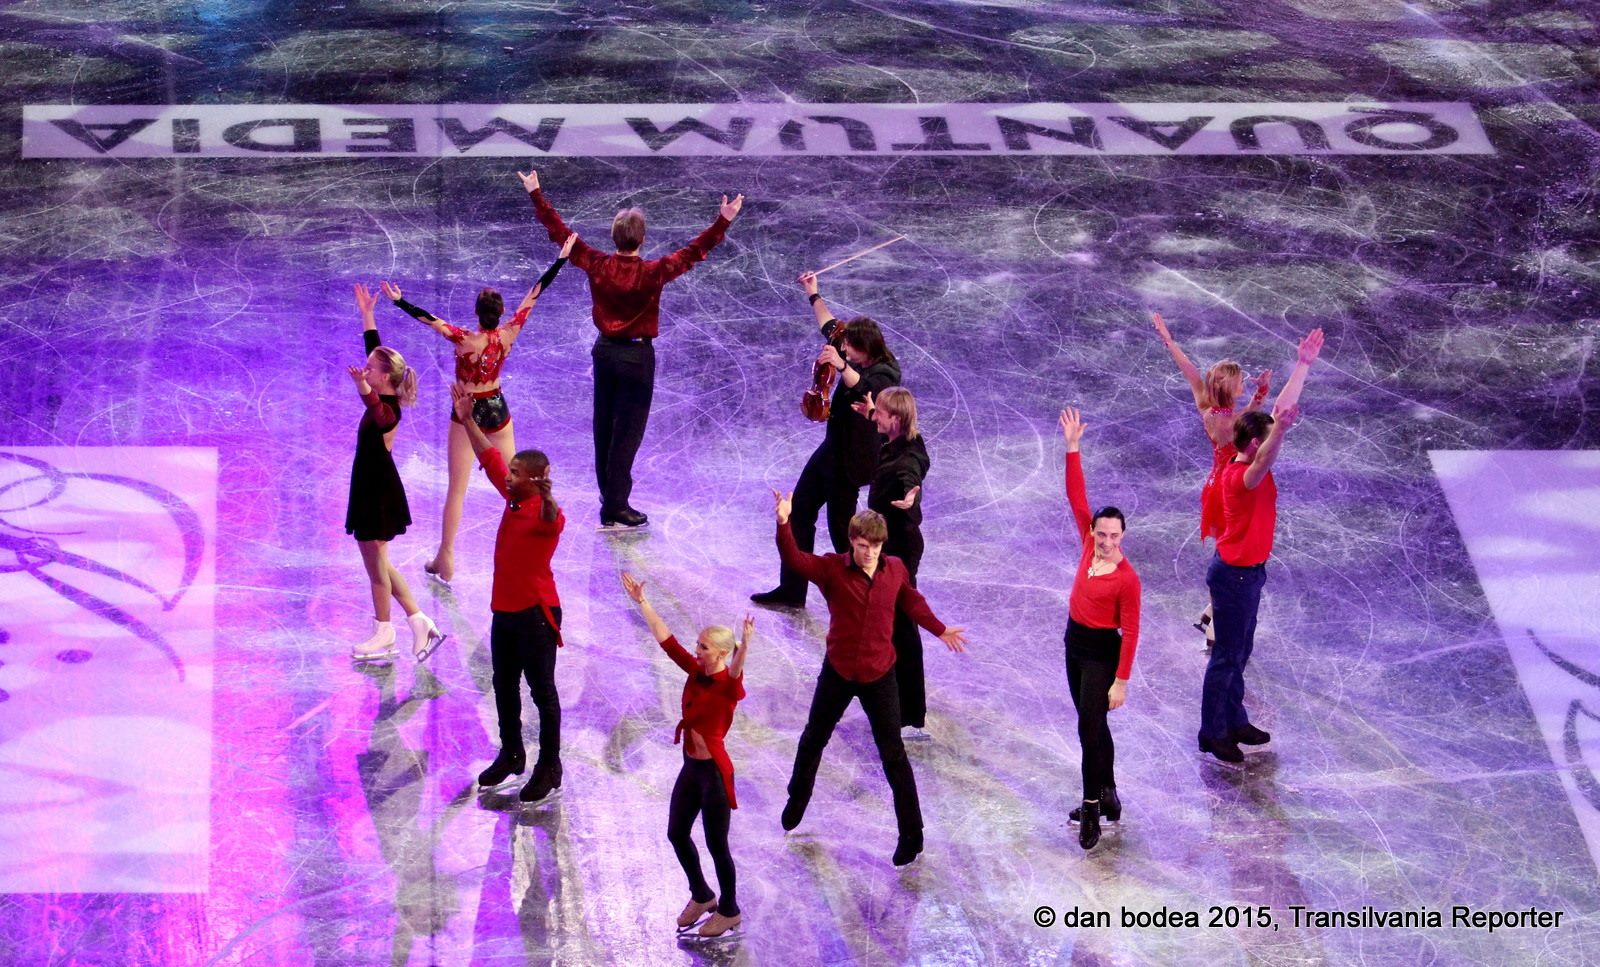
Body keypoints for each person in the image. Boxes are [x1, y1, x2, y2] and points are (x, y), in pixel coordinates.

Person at [518, 169, 743, 528]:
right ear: (643, 239)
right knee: (627, 435)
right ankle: (615, 506)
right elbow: (694, 252)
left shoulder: (597, 264)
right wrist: (723, 221)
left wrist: (536, 193)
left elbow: (560, 234)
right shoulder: (653, 272)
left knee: (604, 428)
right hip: (637, 359)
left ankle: (609, 496)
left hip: (605, 353)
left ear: (614, 237)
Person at [772, 494, 967, 866]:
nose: (870, 553)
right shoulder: (832, 569)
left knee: (893, 754)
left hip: (879, 674)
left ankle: (912, 835)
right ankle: (797, 798)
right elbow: (794, 559)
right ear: (852, 542)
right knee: (813, 738)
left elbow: (911, 601)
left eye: (875, 547)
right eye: (863, 546)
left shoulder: (895, 569)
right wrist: (784, 523)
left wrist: (939, 629)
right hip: (839, 671)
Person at [378, 234, 575, 587]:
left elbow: (429, 319)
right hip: (497, 408)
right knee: (516, 485)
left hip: (467, 411)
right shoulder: (509, 334)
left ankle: (446, 558)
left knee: (457, 488)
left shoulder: (464, 340)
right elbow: (535, 293)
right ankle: (530, 537)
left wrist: (399, 301)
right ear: (500, 313)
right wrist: (560, 259)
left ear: (477, 313)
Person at [1198, 328, 1324, 765]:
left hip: (1248, 574)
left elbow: (1277, 413)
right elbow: (1268, 452)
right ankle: (1213, 732)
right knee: (1226, 657)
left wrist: (1303, 365)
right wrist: (1280, 434)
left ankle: (1234, 719)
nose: (1271, 442)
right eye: (1266, 439)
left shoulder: (1249, 451)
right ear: (1255, 444)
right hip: (1234, 577)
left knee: (1240, 653)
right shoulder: (1240, 477)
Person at [752, 272, 901, 607]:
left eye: (849, 348)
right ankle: (792, 590)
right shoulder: (850, 347)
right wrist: (813, 293)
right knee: (800, 511)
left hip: (853, 460)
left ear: (866, 349)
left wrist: (840, 365)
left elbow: (864, 388)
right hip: (832, 450)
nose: (843, 349)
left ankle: (863, 596)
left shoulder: (887, 373)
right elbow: (829, 325)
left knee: (841, 534)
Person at [449, 384, 568, 802]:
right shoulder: (514, 499)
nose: (508, 476)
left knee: (542, 692)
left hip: (535, 614)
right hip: (505, 611)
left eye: (516, 473)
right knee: (503, 684)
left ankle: (549, 765)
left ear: (534, 479)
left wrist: (545, 496)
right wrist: (467, 420)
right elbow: (490, 457)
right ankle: (512, 753)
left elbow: (552, 518)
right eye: (511, 472)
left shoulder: (546, 515)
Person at [620, 572, 751, 939]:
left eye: (704, 647)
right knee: (676, 833)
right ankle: (702, 895)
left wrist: (744, 647)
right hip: (691, 767)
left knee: (717, 845)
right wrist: (643, 602)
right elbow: (666, 640)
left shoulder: (728, 686)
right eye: (699, 644)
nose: (697, 650)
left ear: (721, 653)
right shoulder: (696, 670)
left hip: (714, 775)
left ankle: (729, 910)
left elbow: (736, 672)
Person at [1151, 312, 1270, 643]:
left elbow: (1188, 369)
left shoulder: (1208, 405)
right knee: (1232, 556)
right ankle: (1216, 629)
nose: (1243, 383)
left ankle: (1209, 611)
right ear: (1231, 387)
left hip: (1216, 484)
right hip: (1228, 490)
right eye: (1241, 381)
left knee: (1227, 551)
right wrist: (1261, 395)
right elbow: (1250, 424)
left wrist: (1169, 340)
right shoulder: (1228, 422)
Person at [345, 283, 445, 661]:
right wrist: (368, 315)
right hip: (370, 487)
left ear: (384, 378)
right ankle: (419, 620)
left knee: (376, 569)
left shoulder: (389, 410)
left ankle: (383, 632)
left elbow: (376, 409)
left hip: (377, 493)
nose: (365, 368)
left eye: (370, 368)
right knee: (379, 562)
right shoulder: (384, 381)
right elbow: (376, 351)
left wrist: (361, 387)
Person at [1057, 408, 1141, 850]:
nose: (1107, 541)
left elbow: (1132, 632)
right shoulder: (1087, 545)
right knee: (1091, 725)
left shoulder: (1128, 579)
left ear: (1122, 536)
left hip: (1101, 655)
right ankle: (1108, 793)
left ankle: (1091, 806)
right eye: (1102, 534)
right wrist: (1073, 448)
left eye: (1114, 536)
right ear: (1093, 532)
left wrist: (1121, 681)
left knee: (1089, 730)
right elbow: (1076, 497)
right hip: (1073, 643)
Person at [854, 387, 932, 739]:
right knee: (885, 621)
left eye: (882, 414)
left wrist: (911, 498)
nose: (877, 418)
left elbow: (910, 478)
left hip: (900, 551)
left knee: (902, 626)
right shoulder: (903, 439)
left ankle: (911, 714)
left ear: (896, 420)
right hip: (888, 546)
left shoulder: (908, 459)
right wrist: (871, 411)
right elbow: (883, 419)